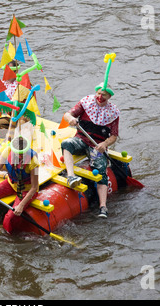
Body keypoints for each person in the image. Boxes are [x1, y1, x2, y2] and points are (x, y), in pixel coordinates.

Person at [61, 83, 119, 218]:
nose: (100, 97)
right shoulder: (86, 103)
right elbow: (67, 114)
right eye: (98, 93)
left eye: (103, 94)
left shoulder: (113, 112)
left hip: (97, 145)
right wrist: (71, 119)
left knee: (100, 168)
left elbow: (114, 136)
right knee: (66, 144)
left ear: (109, 96)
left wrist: (104, 144)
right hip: (81, 140)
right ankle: (71, 176)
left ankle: (103, 206)